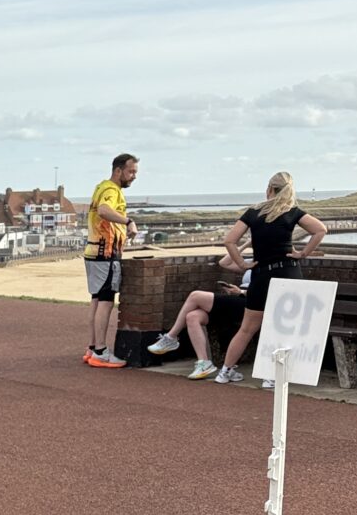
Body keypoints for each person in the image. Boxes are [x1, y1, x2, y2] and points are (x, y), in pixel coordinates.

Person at [211, 175, 327, 385]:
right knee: (285, 328)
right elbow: (321, 230)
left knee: (247, 328)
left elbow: (229, 241)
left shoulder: (253, 213)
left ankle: (225, 372)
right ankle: (271, 377)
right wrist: (303, 253)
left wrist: (242, 264)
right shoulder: (293, 212)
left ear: (269, 189)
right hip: (288, 272)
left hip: (262, 274)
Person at [148, 257, 251, 379]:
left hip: (250, 302)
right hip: (237, 297)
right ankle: (204, 363)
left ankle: (171, 337)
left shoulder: (267, 265)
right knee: (192, 316)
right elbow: (224, 262)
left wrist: (241, 292)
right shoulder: (252, 261)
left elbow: (264, 292)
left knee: (195, 296)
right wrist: (242, 246)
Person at [83, 154, 140, 368]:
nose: (134, 176)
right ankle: (100, 351)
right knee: (106, 302)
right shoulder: (111, 190)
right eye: (131, 171)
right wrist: (128, 221)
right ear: (118, 171)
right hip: (105, 253)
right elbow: (104, 210)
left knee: (97, 300)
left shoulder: (101, 187)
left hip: (95, 251)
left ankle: (92, 348)